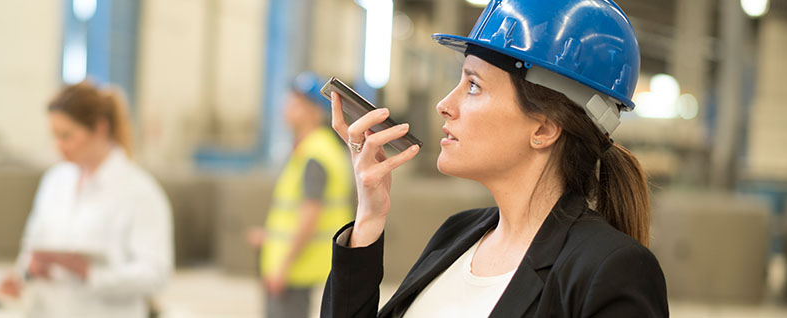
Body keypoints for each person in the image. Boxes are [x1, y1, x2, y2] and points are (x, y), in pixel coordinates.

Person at [320, 0, 668, 317]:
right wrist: (368, 219)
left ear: (544, 129)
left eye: (473, 86)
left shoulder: (610, 270)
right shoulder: (458, 234)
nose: (444, 104)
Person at [0, 80, 173, 318]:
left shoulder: (139, 192)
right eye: (54, 136)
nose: (58, 146)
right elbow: (31, 243)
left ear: (100, 128)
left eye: (66, 135)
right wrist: (26, 270)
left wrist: (91, 274)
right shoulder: (54, 181)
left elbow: (156, 274)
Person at [251, 73, 353, 318]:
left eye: (296, 104)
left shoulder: (315, 155)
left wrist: (283, 266)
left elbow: (311, 214)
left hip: (295, 266)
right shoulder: (315, 149)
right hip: (294, 262)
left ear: (315, 113)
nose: (286, 108)